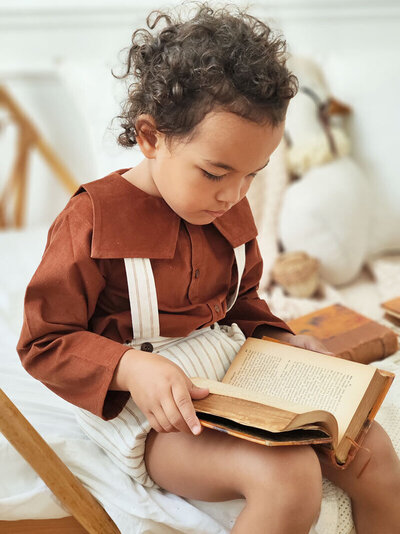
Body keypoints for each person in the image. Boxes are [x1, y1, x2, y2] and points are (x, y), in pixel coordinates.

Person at [17, 3, 400, 533]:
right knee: (288, 479)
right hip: (154, 413)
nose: (234, 194)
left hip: (236, 376)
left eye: (252, 174)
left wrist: (282, 340)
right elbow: (44, 342)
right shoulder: (90, 220)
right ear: (151, 138)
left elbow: (242, 303)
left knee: (372, 450)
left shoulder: (227, 203)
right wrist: (132, 369)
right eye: (215, 172)